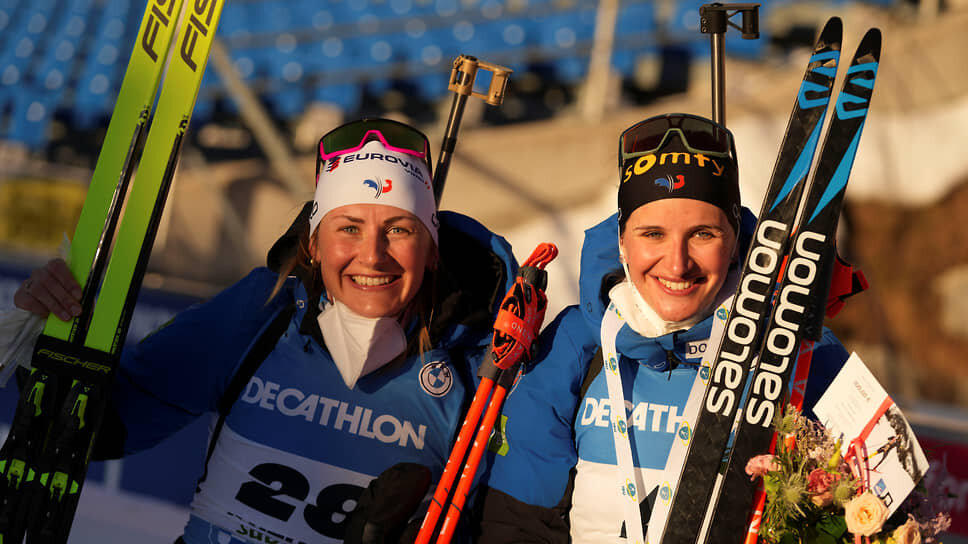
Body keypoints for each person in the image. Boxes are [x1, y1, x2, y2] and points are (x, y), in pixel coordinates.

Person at [10, 118, 518, 544]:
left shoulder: (478, 363)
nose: (372, 254)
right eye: (349, 228)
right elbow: (101, 430)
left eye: (400, 229)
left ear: (432, 251)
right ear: (313, 245)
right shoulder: (264, 310)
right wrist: (56, 329)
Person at [477, 113, 853, 543]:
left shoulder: (806, 355)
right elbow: (515, 526)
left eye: (703, 234)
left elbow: (875, 511)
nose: (677, 264)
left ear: (735, 242)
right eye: (652, 233)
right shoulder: (575, 343)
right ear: (622, 240)